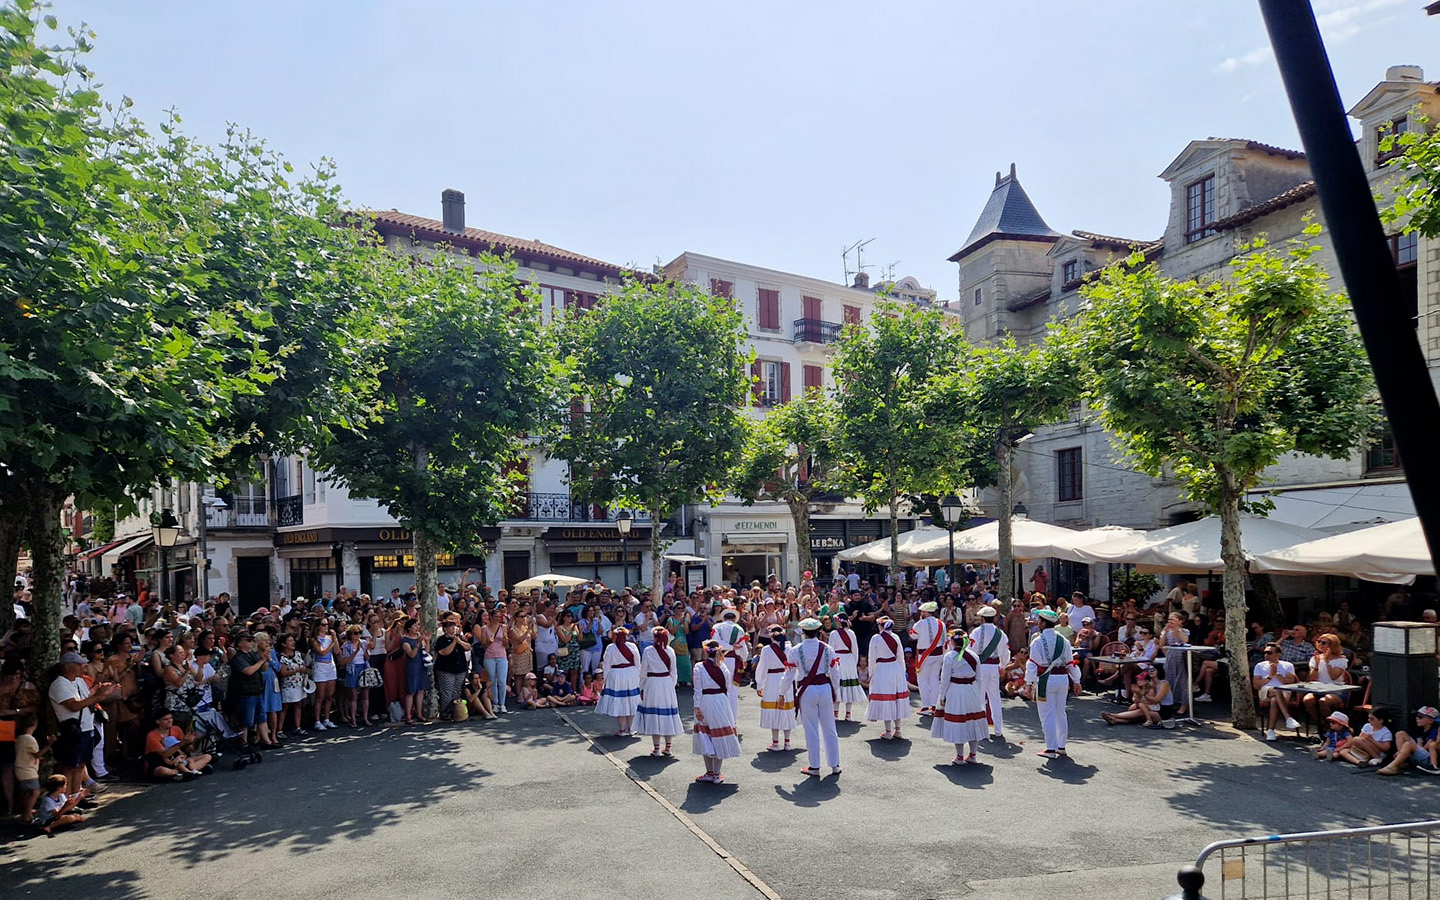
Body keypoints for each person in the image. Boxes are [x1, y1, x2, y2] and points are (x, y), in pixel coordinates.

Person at [49, 651, 115, 794]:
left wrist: (102, 693)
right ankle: (65, 800)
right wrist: (97, 695)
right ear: (67, 666)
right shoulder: (59, 684)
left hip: (86, 727)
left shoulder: (79, 681)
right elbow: (74, 705)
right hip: (72, 731)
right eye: (78, 665)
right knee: (70, 766)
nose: (82, 667)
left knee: (80, 764)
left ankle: (76, 796)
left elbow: (87, 698)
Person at [1025, 609, 1081, 759]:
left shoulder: (1037, 641)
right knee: (1060, 713)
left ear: (1042, 623)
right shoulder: (1064, 640)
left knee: (1047, 715)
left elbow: (1032, 664)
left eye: (1039, 621)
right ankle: (1061, 746)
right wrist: (1077, 680)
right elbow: (1071, 663)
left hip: (1046, 680)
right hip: (1063, 679)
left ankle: (1050, 748)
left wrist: (1028, 684)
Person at [789, 618, 841, 776]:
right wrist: (834, 689)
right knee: (830, 728)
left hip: (807, 689)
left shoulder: (796, 650)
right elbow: (835, 672)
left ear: (803, 632)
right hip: (825, 687)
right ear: (818, 631)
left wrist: (781, 692)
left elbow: (789, 674)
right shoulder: (828, 648)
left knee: (811, 729)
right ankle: (835, 765)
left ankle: (815, 766)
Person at [932, 627, 989, 765]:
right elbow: (979, 678)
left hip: (956, 691)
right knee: (973, 721)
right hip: (972, 690)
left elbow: (944, 679)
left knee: (958, 721)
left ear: (952, 642)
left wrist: (942, 695)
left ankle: (959, 756)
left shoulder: (949, 656)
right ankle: (973, 754)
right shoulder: (974, 656)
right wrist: (978, 692)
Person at [692, 640, 742, 784]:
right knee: (718, 735)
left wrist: (696, 706)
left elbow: (697, 689)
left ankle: (709, 772)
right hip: (721, 701)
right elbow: (727, 687)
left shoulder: (699, 667)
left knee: (705, 735)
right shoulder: (724, 667)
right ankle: (716, 773)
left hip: (705, 701)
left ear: (706, 651)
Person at [635, 627, 683, 756]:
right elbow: (674, 672)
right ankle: (668, 747)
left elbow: (643, 671)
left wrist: (642, 686)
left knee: (654, 714)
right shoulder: (671, 651)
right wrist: (670, 685)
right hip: (666, 682)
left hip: (652, 682)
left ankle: (656, 748)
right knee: (667, 713)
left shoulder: (648, 651)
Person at [970, 605, 1010, 741]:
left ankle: (981, 729)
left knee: (980, 698)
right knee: (995, 698)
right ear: (994, 618)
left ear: (982, 618)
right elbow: (1006, 652)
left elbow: (971, 650)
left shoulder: (976, 632)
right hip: (994, 667)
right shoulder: (1001, 634)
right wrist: (1003, 666)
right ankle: (998, 729)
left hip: (980, 666)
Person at [866, 617, 911, 739]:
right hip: (895, 669)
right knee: (896, 698)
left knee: (886, 698)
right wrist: (903, 673)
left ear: (881, 626)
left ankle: (888, 731)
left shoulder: (875, 638)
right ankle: (898, 730)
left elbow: (871, 658)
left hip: (882, 669)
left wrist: (870, 673)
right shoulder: (896, 637)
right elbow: (900, 657)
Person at [597, 627, 641, 737]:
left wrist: (606, 680)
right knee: (631, 700)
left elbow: (606, 665)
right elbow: (638, 663)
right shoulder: (632, 646)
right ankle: (631, 728)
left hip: (616, 674)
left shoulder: (610, 648)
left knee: (620, 701)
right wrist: (638, 677)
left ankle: (622, 729)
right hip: (631, 674)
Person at [143, 710, 212, 781]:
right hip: (161, 763)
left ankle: (187, 772)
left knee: (207, 756)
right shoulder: (152, 736)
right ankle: (188, 772)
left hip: (180, 759)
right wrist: (181, 744)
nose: (170, 721)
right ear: (158, 721)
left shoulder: (176, 729)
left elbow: (187, 749)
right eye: (166, 719)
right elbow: (164, 755)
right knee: (162, 771)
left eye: (171, 718)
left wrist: (190, 742)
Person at [756, 626, 795, 751]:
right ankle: (787, 743)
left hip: (772, 680)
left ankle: (775, 743)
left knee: (774, 710)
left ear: (771, 636)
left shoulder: (767, 650)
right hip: (786, 679)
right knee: (786, 710)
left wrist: (759, 684)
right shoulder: (789, 648)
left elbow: (762, 668)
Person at [1252, 642, 1301, 742]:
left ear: (1278, 654)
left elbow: (1290, 681)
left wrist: (1276, 674)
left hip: (1284, 691)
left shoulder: (1287, 665)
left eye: (1269, 653)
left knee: (1275, 700)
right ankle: (1288, 718)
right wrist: (1270, 676)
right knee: (1275, 689)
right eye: (1265, 653)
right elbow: (1256, 685)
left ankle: (1270, 731)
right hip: (1266, 690)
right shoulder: (1260, 666)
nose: (1266, 655)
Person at [1301, 633, 1349, 724]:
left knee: (1323, 701)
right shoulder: (1315, 658)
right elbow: (1312, 679)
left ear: (1332, 645)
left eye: (1323, 642)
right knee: (1307, 700)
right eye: (1318, 641)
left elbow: (1333, 676)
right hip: (1318, 689)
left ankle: (1332, 724)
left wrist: (1327, 661)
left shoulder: (1341, 659)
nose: (1320, 644)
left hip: (1336, 690)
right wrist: (1316, 665)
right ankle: (1322, 723)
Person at [1379, 706, 1440, 776]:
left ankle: (1392, 766)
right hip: (1422, 753)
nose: (1417, 718)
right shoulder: (1419, 729)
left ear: (1431, 720)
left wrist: (1411, 749)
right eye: (1417, 716)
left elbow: (1428, 747)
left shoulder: (1435, 730)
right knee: (1400, 734)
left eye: (1420, 717)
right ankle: (1402, 761)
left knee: (1408, 744)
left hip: (1429, 757)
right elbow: (1419, 743)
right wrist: (1403, 751)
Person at [827, 613, 866, 721]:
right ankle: (848, 714)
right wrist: (854, 662)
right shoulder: (851, 633)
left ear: (839, 621)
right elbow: (855, 650)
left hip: (838, 659)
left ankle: (835, 714)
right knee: (849, 685)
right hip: (849, 660)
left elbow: (830, 650)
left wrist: (830, 664)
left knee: (837, 684)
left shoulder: (834, 634)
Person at [910, 601, 944, 717]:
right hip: (939, 654)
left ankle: (925, 706)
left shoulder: (920, 623)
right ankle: (934, 706)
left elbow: (913, 636)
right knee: (934, 679)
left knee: (923, 680)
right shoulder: (941, 624)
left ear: (924, 612)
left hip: (924, 654)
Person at [712, 609, 748, 720]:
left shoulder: (716, 627)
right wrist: (745, 659)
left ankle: (720, 717)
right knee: (732, 690)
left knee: (719, 687)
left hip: (719, 659)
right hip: (733, 659)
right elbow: (743, 647)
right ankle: (732, 720)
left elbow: (715, 642)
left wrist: (728, 647)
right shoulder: (739, 629)